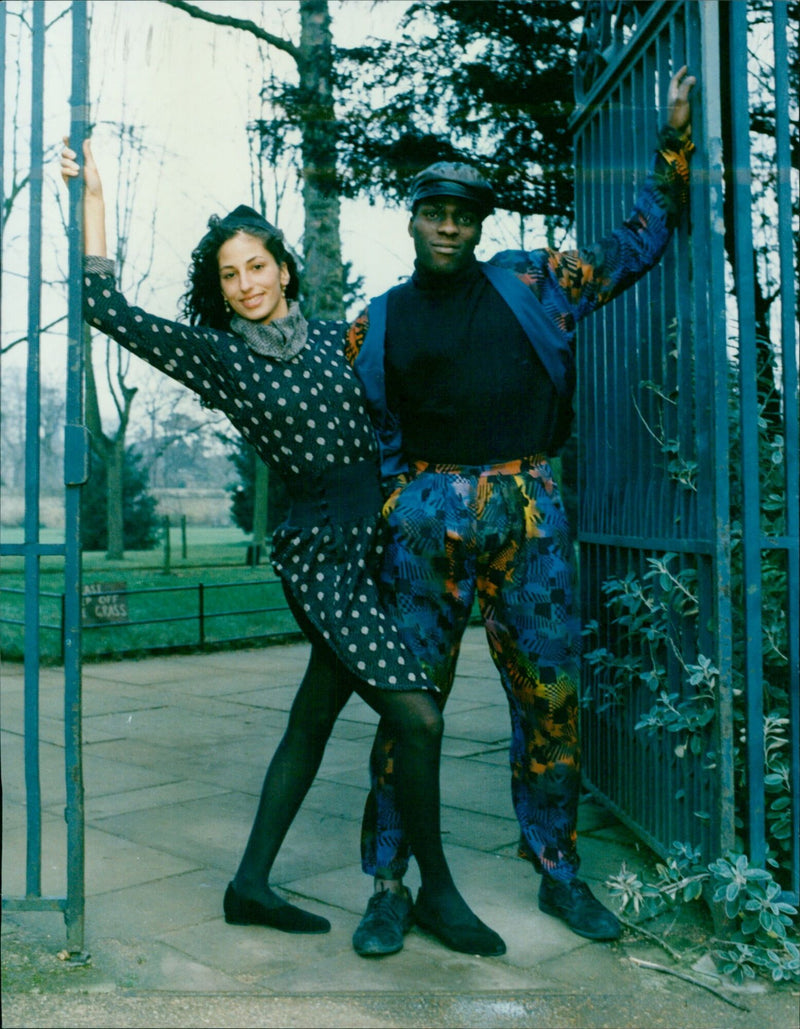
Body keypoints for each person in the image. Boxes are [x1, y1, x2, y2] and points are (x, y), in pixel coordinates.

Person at [60, 139, 505, 957]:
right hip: (321, 560)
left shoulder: (341, 337)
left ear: (284, 269)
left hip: (375, 549)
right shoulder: (224, 358)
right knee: (422, 717)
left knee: (311, 719)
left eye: (256, 267)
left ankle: (249, 884)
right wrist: (92, 198)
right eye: (230, 276)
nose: (246, 285)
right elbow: (106, 310)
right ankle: (438, 892)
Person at [344, 66, 697, 957]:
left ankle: (558, 867)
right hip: (424, 517)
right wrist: (390, 505)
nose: (451, 223)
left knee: (549, 697)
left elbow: (636, 243)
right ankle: (391, 882)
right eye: (437, 209)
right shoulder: (373, 321)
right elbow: (341, 428)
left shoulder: (538, 283)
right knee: (408, 702)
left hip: (531, 510)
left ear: (480, 222)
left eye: (466, 212)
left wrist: (673, 140)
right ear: (414, 216)